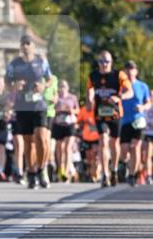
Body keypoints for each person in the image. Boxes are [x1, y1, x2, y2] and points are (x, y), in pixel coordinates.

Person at [6, 34, 52, 189]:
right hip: (22, 105)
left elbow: (50, 78)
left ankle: (42, 169)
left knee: (41, 138)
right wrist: (14, 86)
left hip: (39, 105)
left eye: (28, 43)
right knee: (28, 141)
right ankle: (31, 172)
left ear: (33, 46)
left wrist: (43, 86)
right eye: (23, 43)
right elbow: (7, 82)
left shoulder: (41, 61)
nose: (25, 46)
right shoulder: (14, 64)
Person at [86, 50, 132, 188]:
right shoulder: (93, 76)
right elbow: (90, 90)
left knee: (114, 142)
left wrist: (119, 97)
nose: (104, 64)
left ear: (111, 62)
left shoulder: (119, 75)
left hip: (115, 114)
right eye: (101, 61)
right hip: (100, 113)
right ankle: (105, 174)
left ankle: (114, 169)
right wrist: (89, 98)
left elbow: (130, 91)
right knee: (103, 140)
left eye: (106, 61)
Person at [119, 60, 151, 186]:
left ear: (136, 71)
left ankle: (132, 175)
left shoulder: (143, 86)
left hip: (138, 121)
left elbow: (148, 102)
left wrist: (142, 108)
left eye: (132, 69)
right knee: (125, 150)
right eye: (127, 69)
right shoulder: (121, 86)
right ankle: (125, 164)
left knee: (136, 147)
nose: (130, 71)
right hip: (124, 121)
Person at [51, 80, 79, 183]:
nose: (62, 88)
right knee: (59, 148)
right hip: (58, 124)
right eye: (60, 86)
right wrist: (58, 110)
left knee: (67, 148)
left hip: (69, 124)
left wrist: (71, 111)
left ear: (68, 88)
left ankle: (66, 172)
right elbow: (51, 109)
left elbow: (77, 110)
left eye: (64, 86)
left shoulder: (72, 98)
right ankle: (60, 168)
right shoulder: (56, 97)